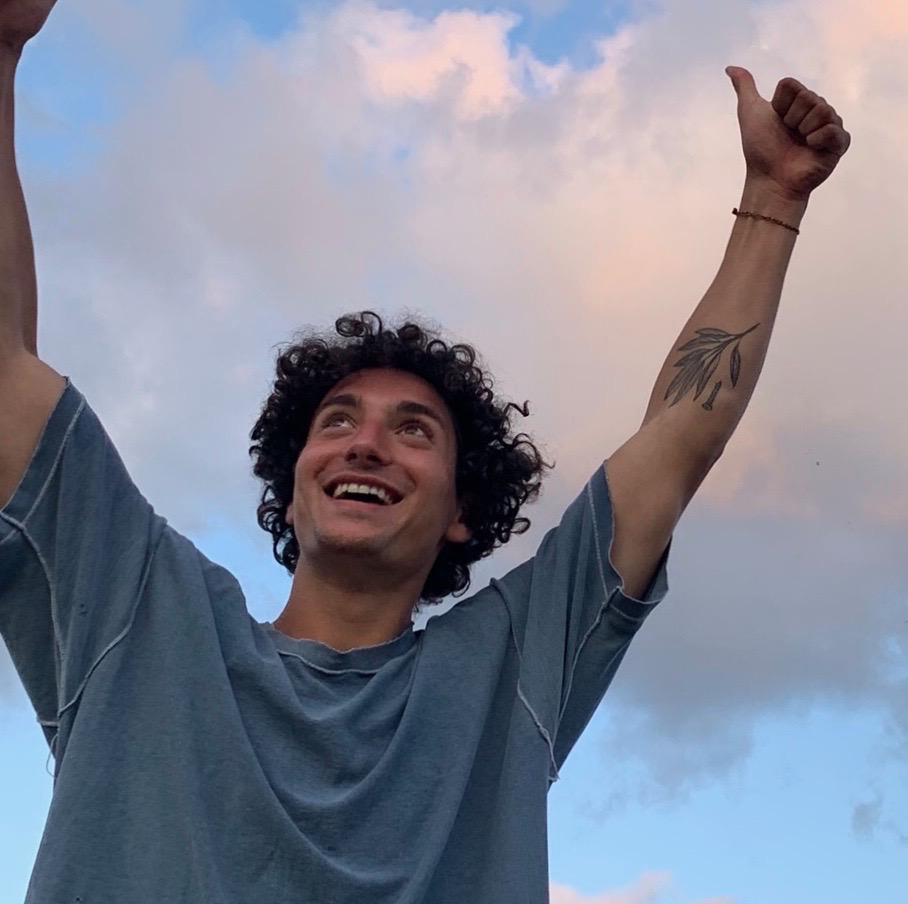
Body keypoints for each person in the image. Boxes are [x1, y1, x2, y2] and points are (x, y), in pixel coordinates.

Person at [0, 1, 851, 902]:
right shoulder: (142, 616)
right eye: (336, 421)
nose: (365, 444)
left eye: (413, 430)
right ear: (289, 493)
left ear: (460, 514)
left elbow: (679, 440)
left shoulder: (505, 671)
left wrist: (773, 200)